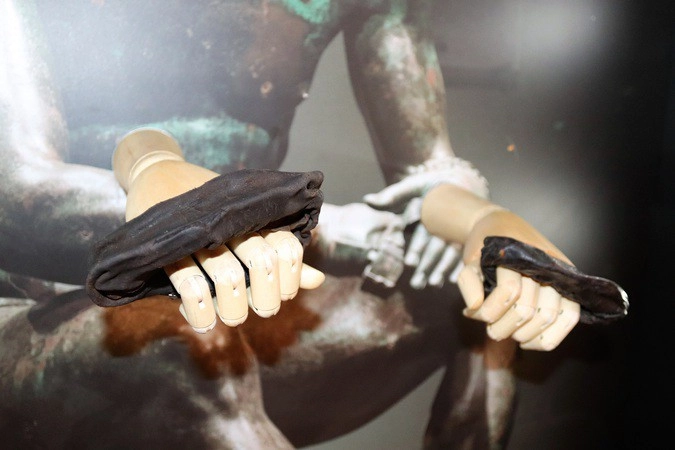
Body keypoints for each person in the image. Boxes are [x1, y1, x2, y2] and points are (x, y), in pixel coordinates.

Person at [0, 1, 584, 448]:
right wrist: (193, 200)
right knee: (184, 332)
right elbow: (17, 194)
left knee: (487, 294)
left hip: (255, 282)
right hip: (43, 302)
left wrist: (486, 219)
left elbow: (425, 172)